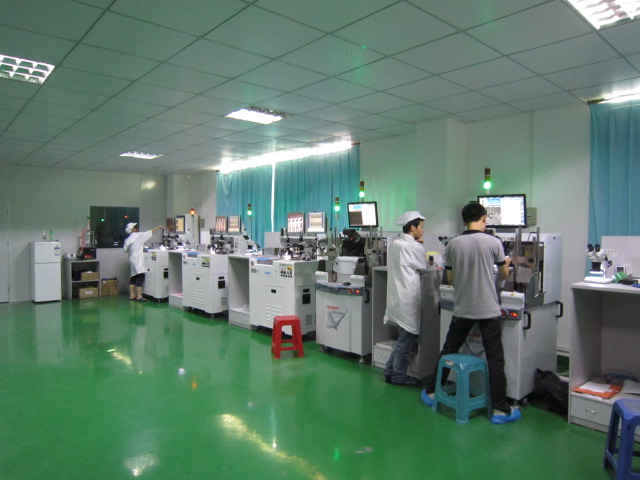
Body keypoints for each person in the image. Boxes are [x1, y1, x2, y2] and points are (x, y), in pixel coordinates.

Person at [420, 203, 521, 424]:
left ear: (464, 221)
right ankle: (501, 410)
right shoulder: (494, 242)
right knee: (495, 360)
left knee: (448, 351)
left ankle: (432, 392)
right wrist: (506, 264)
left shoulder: (453, 244)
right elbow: (504, 274)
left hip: (463, 308)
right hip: (488, 310)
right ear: (484, 218)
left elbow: (450, 279)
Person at [383, 211, 428, 387]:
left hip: (396, 298)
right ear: (413, 227)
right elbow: (423, 267)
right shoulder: (414, 247)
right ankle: (398, 377)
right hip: (407, 299)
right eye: (421, 227)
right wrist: (419, 246)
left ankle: (389, 371)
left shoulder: (395, 243)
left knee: (402, 339)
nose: (423, 230)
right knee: (405, 341)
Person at [123, 222, 164, 302]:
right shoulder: (139, 235)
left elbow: (125, 250)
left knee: (133, 276)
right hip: (138, 259)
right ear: (134, 229)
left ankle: (132, 295)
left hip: (132, 259)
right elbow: (150, 232)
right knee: (141, 276)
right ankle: (139, 296)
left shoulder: (127, 239)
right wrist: (158, 227)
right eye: (136, 227)